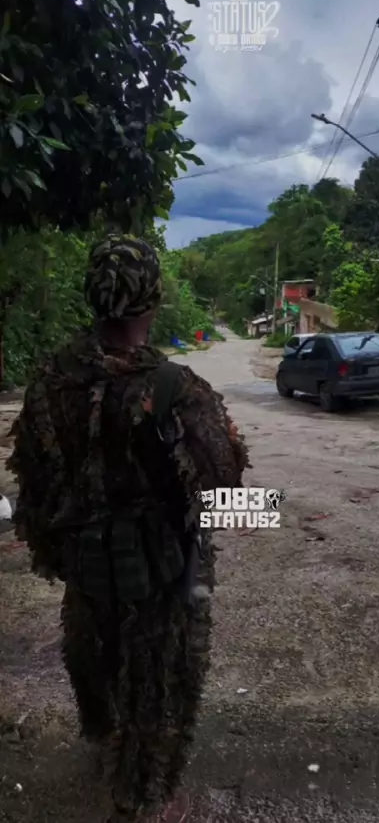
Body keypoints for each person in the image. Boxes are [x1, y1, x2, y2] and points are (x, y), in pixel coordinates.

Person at [7, 235, 250, 822]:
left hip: (87, 564)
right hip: (161, 572)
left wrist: (58, 548)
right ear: (153, 299)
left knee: (93, 655)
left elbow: (31, 482)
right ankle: (141, 798)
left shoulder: (50, 379)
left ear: (91, 295)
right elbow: (222, 488)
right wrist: (240, 469)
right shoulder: (175, 387)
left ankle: (103, 741)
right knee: (160, 684)